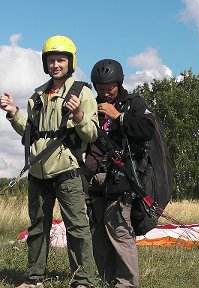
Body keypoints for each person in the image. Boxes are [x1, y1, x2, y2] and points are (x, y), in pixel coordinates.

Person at [0, 35, 98, 288]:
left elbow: (91, 134)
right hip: (37, 173)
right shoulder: (37, 96)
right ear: (46, 63)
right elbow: (29, 132)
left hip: (67, 171)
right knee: (37, 228)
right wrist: (13, 113)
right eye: (52, 60)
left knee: (77, 228)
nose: (56, 64)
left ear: (70, 62)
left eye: (61, 60)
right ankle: (34, 279)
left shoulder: (83, 92)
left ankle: (83, 280)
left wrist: (78, 114)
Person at [81, 59, 156, 288]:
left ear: (119, 83)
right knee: (98, 232)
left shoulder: (133, 104)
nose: (106, 92)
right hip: (94, 177)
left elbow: (148, 129)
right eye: (101, 88)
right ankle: (107, 279)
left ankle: (126, 283)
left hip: (121, 176)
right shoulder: (91, 106)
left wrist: (118, 117)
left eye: (110, 87)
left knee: (119, 229)